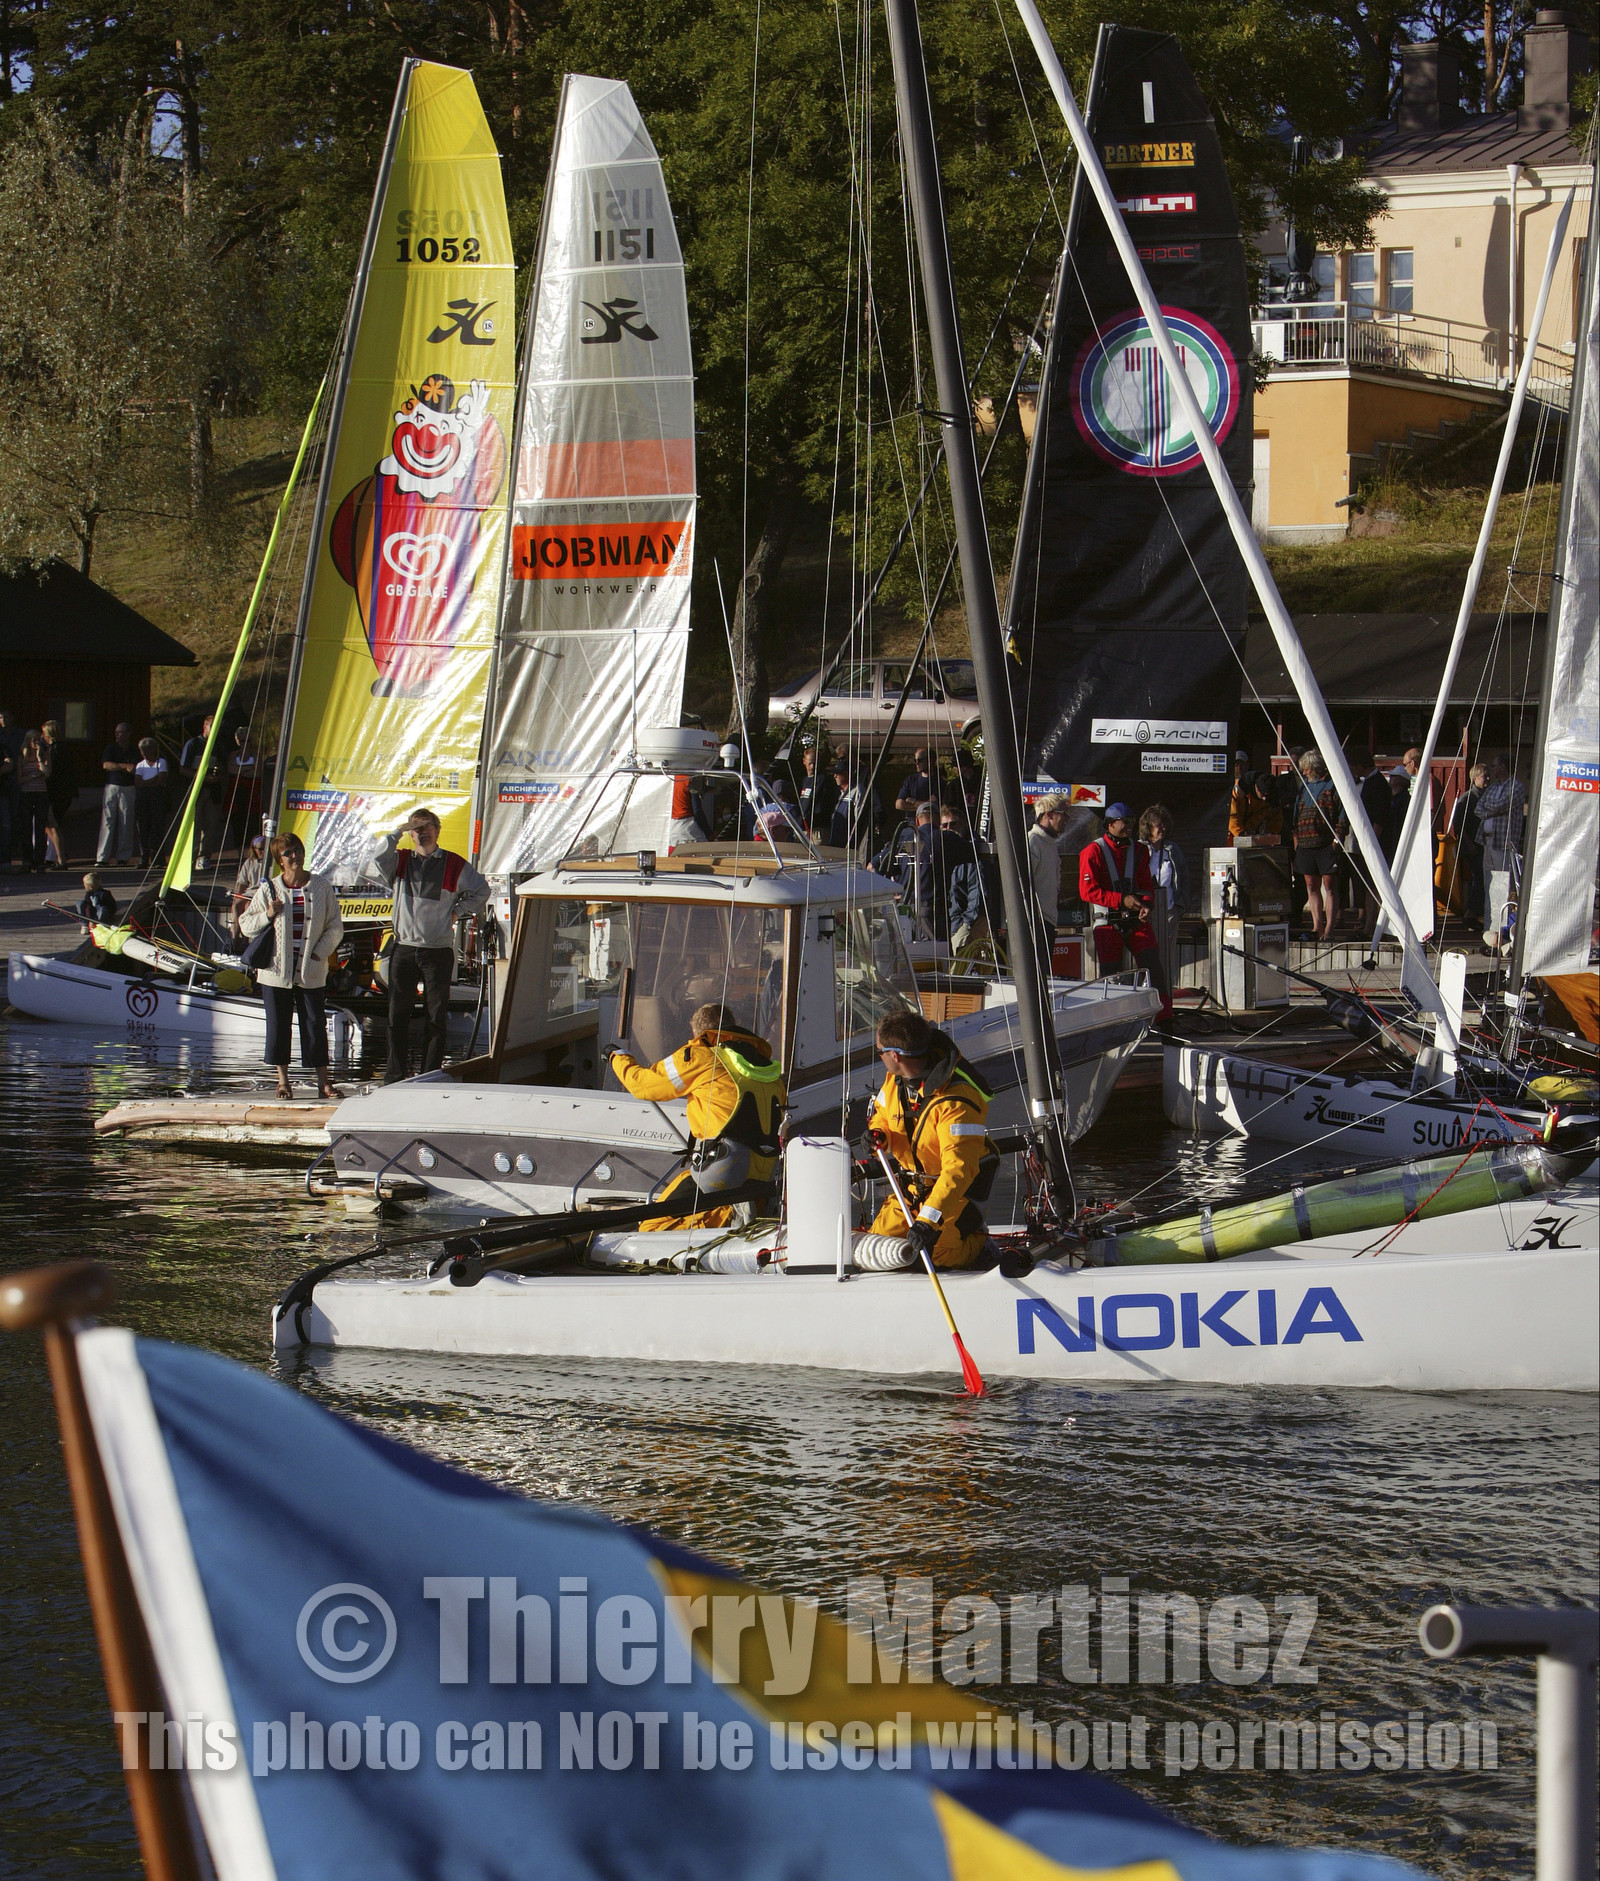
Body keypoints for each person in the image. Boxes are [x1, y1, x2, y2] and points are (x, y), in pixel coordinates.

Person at [608, 1001, 786, 1229]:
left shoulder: (700, 1056)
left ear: (697, 1032)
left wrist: (617, 1056)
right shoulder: (766, 1066)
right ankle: (735, 1215)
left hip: (723, 1171)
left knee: (651, 1225)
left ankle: (726, 1217)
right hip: (764, 1175)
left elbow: (642, 1085)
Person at [863, 1007, 995, 1270]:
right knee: (878, 1246)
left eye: (879, 1052)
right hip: (912, 1190)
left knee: (938, 1254)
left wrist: (929, 1220)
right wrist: (879, 1134)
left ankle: (980, 1247)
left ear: (894, 1055)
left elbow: (958, 1170)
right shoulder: (895, 1082)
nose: (880, 1058)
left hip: (954, 1194)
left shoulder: (957, 1102)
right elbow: (882, 1113)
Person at [366, 807, 489, 1082]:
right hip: (404, 947)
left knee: (436, 1018)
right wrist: (399, 829)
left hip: (438, 951)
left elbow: (482, 890)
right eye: (417, 828)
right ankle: (395, 1076)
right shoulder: (400, 861)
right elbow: (377, 857)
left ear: (437, 831)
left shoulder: (454, 864)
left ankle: (430, 1075)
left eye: (427, 827)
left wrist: (458, 912)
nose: (422, 833)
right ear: (411, 834)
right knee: (397, 1016)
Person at [238, 833, 343, 1101]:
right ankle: (283, 1082)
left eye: (298, 850)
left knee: (315, 1024)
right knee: (278, 1026)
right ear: (280, 860)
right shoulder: (269, 889)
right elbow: (246, 924)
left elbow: (335, 926)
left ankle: (323, 1082)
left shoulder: (321, 886)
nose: (295, 856)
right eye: (288, 853)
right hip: (275, 972)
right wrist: (268, 914)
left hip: (310, 970)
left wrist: (319, 953)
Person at [1079, 802, 1171, 1018]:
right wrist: (1121, 900)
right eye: (1125, 822)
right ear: (1110, 825)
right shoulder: (1093, 851)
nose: (1130, 826)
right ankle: (1112, 1022)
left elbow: (1146, 884)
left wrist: (1147, 904)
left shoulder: (1139, 850)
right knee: (1111, 977)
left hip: (1136, 921)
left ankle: (1165, 1020)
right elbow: (1087, 891)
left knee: (1154, 969)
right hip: (1107, 921)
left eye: (1131, 821)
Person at [1291, 750, 1347, 942]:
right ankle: (1317, 926)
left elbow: (1342, 814)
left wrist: (1337, 838)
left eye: (1305, 768)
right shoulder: (1303, 788)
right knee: (1310, 885)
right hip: (1306, 844)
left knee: (1330, 885)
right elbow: (1296, 816)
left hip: (1326, 844)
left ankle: (1329, 928)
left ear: (1313, 767)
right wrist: (1296, 840)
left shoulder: (1332, 785)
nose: (1303, 772)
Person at [1475, 751, 1526, 918]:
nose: (1492, 769)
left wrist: (1491, 808)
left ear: (1503, 767)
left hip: (1504, 842)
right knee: (1489, 883)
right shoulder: (1493, 787)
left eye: (1494, 766)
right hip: (1488, 842)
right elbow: (1478, 808)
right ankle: (1491, 922)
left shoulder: (1516, 786)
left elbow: (1502, 804)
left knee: (1504, 883)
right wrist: (1493, 810)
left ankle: (1504, 922)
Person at [1350, 749, 1393, 934]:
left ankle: (1379, 925)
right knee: (1369, 884)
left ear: (1360, 765)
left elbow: (1381, 815)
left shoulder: (1378, 784)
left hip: (1377, 841)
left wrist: (1371, 842)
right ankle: (1370, 925)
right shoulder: (1368, 782)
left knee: (1377, 885)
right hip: (1368, 839)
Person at [179, 714, 224, 870]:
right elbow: (183, 769)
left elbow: (221, 766)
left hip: (212, 791)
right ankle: (190, 858)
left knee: (211, 823)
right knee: (195, 824)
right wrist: (202, 778)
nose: (215, 730)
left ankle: (204, 856)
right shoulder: (193, 744)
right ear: (205, 726)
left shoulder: (217, 745)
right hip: (196, 790)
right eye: (212, 726)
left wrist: (216, 777)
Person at [1027, 793, 1071, 946]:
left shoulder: (1049, 843)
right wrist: (1034, 918)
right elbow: (1022, 885)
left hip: (1047, 921)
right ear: (1049, 815)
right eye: (1064, 814)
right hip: (1035, 922)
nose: (1067, 819)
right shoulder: (1033, 841)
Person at [1450, 761, 1487, 927]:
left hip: (1481, 845)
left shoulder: (1486, 796)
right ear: (1475, 778)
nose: (1487, 779)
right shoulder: (1467, 798)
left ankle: (1474, 914)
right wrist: (1468, 843)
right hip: (1470, 845)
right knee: (1479, 877)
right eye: (1484, 776)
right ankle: (1470, 913)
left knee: (1481, 878)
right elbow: (1458, 824)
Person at [97, 722, 139, 866]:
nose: (117, 735)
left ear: (128, 734)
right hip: (112, 786)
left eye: (120, 732)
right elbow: (107, 765)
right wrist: (124, 766)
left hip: (128, 787)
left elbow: (135, 768)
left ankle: (123, 856)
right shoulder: (111, 749)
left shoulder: (134, 750)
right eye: (116, 732)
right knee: (107, 821)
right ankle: (102, 857)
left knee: (126, 821)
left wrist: (119, 767)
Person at [40, 720, 74, 869]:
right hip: (63, 792)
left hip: (55, 793)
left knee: (55, 826)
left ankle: (61, 859)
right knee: (50, 824)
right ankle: (60, 853)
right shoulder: (64, 749)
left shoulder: (53, 751)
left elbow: (50, 773)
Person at [16, 730, 51, 871]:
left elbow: (47, 773)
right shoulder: (22, 757)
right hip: (27, 794)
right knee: (27, 827)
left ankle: (39, 861)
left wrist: (39, 757)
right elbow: (20, 779)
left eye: (37, 739)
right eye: (32, 739)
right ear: (27, 741)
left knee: (40, 827)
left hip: (41, 793)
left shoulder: (44, 755)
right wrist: (34, 776)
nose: (35, 742)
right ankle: (27, 860)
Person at [133, 738, 170, 867]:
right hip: (143, 800)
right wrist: (153, 780)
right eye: (142, 751)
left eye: (146, 750)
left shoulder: (161, 762)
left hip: (157, 799)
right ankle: (144, 858)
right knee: (143, 830)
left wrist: (146, 782)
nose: (143, 753)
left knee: (157, 829)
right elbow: (138, 783)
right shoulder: (140, 765)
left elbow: (161, 780)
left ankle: (158, 859)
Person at [796, 743, 839, 839]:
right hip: (803, 828)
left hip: (818, 829)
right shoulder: (804, 780)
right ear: (804, 761)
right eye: (810, 763)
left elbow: (825, 805)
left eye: (815, 763)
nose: (812, 767)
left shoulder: (823, 779)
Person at [231, 835, 267, 943]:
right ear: (254, 849)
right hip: (250, 893)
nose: (262, 851)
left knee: (248, 907)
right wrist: (237, 896)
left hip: (262, 892)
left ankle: (246, 940)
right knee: (236, 906)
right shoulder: (249, 862)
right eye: (260, 849)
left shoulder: (270, 863)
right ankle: (234, 939)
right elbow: (242, 882)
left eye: (264, 848)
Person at [0, 706, 20, 871]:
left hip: (4, 789)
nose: (4, 720)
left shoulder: (3, 747)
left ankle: (5, 861)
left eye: (6, 717)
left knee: (6, 825)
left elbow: (9, 765)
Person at [893, 747, 934, 816]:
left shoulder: (939, 782)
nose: (916, 763)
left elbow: (934, 806)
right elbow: (899, 804)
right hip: (912, 820)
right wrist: (925, 804)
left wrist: (913, 801)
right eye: (915, 760)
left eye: (919, 760)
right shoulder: (911, 780)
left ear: (930, 760)